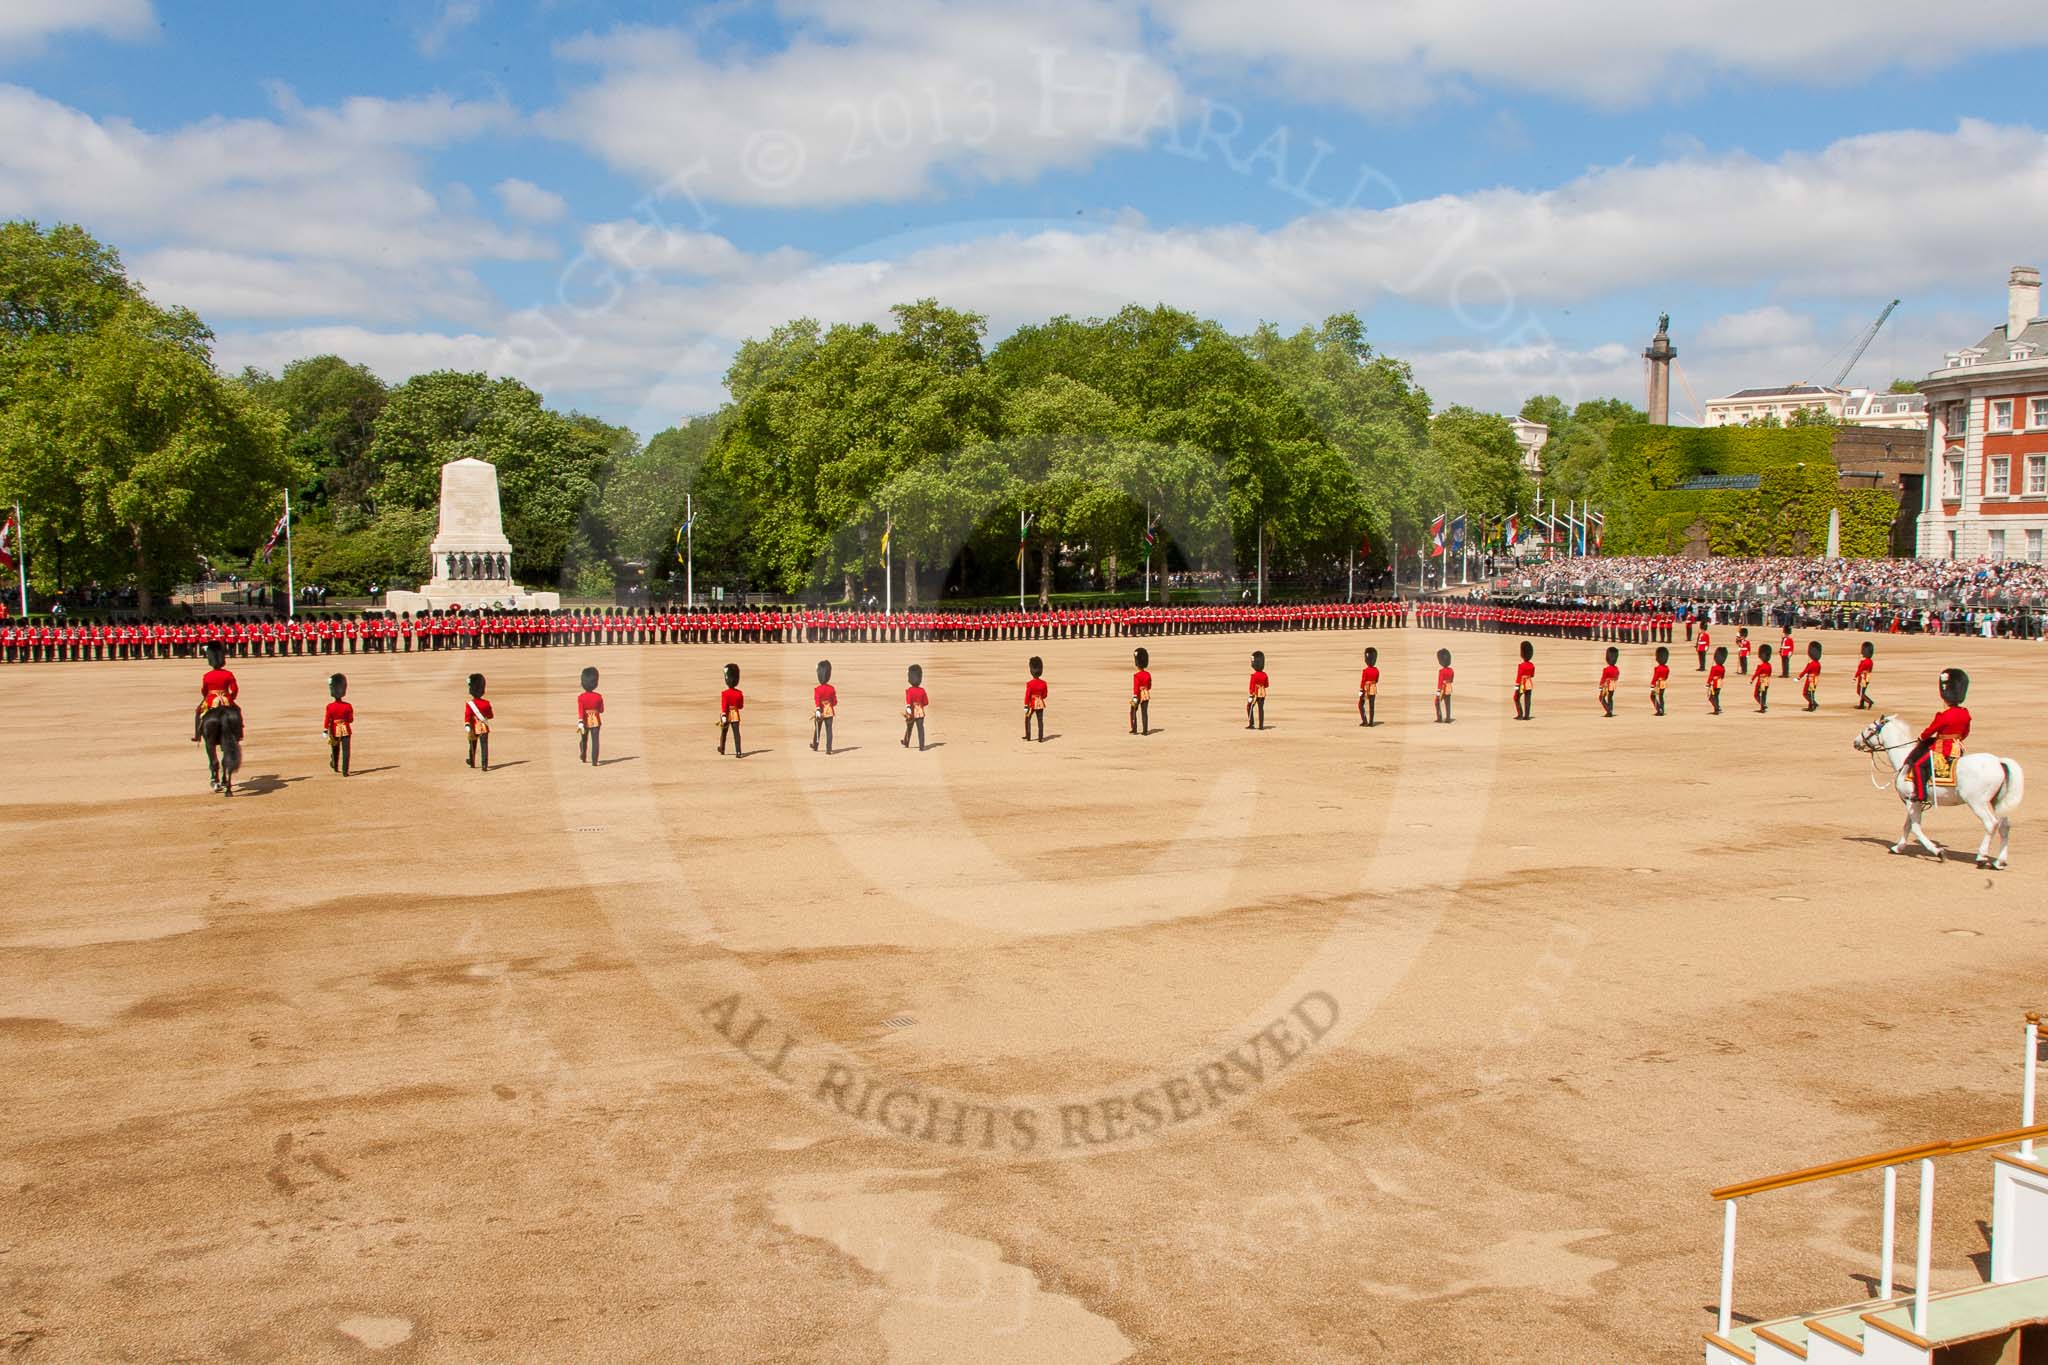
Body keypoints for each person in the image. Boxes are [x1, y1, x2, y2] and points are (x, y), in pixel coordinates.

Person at [1903, 668, 1972, 807]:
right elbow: (1965, 732)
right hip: (1957, 748)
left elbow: (1931, 730)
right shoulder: (1965, 713)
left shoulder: (1943, 715)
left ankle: (1920, 794)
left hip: (1942, 749)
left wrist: (1921, 737)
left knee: (1918, 765)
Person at [193, 641, 239, 742]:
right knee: (237, 711)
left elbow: (204, 690)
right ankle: (239, 733)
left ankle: (197, 735)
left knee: (198, 712)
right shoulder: (228, 674)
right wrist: (231, 698)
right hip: (226, 698)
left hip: (211, 699)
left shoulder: (207, 675)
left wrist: (206, 697)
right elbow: (234, 689)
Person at [323, 673, 353, 776]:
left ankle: (335, 765)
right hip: (345, 728)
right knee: (346, 751)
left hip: (334, 728)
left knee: (335, 748)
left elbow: (327, 719)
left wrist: (325, 730)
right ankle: (345, 771)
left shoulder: (330, 706)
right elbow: (350, 720)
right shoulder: (348, 706)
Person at [464, 673, 493, 770]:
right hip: (484, 726)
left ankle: (472, 762)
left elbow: (467, 716)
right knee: (484, 746)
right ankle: (484, 765)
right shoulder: (486, 703)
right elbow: (490, 715)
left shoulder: (469, 704)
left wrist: (467, 724)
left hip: (473, 726)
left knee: (473, 745)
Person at [577, 666, 604, 766]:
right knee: (595, 741)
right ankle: (594, 761)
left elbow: (580, 711)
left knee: (584, 739)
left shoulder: (581, 697)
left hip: (584, 720)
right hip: (596, 719)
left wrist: (580, 721)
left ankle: (583, 755)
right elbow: (601, 710)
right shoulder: (598, 696)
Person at [718, 663, 745, 758]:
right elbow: (741, 706)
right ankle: (738, 751)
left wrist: (724, 715)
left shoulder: (725, 693)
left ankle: (722, 748)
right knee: (736, 734)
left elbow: (724, 706)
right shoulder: (739, 693)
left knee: (724, 733)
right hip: (735, 714)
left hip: (727, 714)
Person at [811, 660, 837, 754]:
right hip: (829, 712)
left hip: (820, 712)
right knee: (829, 731)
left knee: (818, 729)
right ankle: (829, 749)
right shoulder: (831, 689)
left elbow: (817, 701)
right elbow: (835, 702)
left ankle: (815, 745)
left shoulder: (817, 689)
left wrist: (818, 709)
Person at [902, 664, 930, 750]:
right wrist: (920, 705)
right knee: (920, 730)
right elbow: (926, 702)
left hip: (911, 712)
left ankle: (906, 742)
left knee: (909, 728)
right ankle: (921, 746)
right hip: (920, 711)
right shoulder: (922, 690)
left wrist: (908, 710)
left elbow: (908, 702)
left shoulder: (909, 691)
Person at [1023, 656, 1048, 742]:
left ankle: (1028, 736)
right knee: (1040, 721)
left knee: (1027, 718)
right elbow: (1045, 695)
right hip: (1040, 702)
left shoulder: (1030, 684)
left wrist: (1026, 706)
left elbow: (1027, 696)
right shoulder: (1043, 683)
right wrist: (1039, 697)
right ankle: (1040, 738)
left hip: (1031, 703)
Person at [1130, 647, 1153, 736]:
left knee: (1133, 711)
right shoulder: (1148, 674)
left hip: (1137, 695)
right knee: (1144, 713)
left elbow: (1135, 688)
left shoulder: (1136, 675)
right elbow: (1150, 686)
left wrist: (1135, 696)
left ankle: (1134, 728)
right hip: (1146, 694)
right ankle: (1145, 731)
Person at [1513, 640, 1535, 721]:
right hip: (1529, 682)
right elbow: (1532, 675)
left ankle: (1520, 714)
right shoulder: (1532, 665)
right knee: (1527, 699)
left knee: (1516, 698)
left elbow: (1518, 678)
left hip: (1522, 683)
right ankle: (1527, 715)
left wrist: (1516, 688)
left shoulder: (1521, 666)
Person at [1246, 650, 1269, 730]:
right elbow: (1266, 685)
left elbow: (1252, 687)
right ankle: (1261, 726)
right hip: (1262, 693)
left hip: (1255, 693)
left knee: (1249, 707)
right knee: (1261, 709)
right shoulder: (1265, 675)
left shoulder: (1254, 676)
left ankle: (1251, 723)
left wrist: (1251, 694)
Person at [1360, 646, 1382, 727]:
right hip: (1373, 687)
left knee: (1361, 704)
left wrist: (1361, 690)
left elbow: (1363, 681)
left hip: (1366, 688)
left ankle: (1365, 721)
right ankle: (1371, 722)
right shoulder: (1376, 670)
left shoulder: (1365, 671)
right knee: (1372, 705)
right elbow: (1377, 680)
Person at [1799, 641, 1822, 712]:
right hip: (1816, 678)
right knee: (1811, 693)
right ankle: (1811, 706)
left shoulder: (1811, 664)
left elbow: (1805, 671)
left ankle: (1813, 703)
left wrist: (1800, 676)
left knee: (1805, 693)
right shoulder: (1818, 664)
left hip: (1811, 679)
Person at [1434, 648, 1454, 724]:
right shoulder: (1451, 670)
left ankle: (1439, 717)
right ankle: (1448, 718)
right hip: (1449, 687)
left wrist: (1438, 692)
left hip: (1442, 688)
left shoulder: (1441, 671)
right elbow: (1452, 680)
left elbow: (1440, 683)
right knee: (1447, 703)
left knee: (1437, 702)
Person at [1598, 646, 1619, 718]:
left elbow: (1603, 678)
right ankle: (1611, 710)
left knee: (1601, 698)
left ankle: (1608, 710)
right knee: (1610, 697)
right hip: (1613, 683)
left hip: (1607, 684)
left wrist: (1601, 686)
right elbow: (1617, 675)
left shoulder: (1606, 669)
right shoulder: (1616, 668)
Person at [1855, 640, 1876, 710]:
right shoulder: (1870, 661)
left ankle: (1869, 701)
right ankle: (1861, 704)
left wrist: (1855, 677)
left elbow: (1859, 670)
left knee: (1859, 691)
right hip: (1868, 677)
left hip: (1863, 677)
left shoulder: (1864, 661)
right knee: (1862, 691)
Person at [1650, 645, 1670, 716]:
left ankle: (1659, 709)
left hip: (1658, 682)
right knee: (1661, 696)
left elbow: (1655, 677)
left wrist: (1652, 684)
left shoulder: (1658, 668)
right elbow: (1667, 676)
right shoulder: (1667, 668)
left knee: (1652, 696)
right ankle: (1662, 709)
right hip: (1663, 682)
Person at [1707, 645, 1727, 714]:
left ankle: (1717, 707)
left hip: (1714, 683)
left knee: (1712, 697)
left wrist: (1708, 683)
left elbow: (1711, 676)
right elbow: (1723, 676)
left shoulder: (1714, 668)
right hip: (1720, 682)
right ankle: (1717, 707)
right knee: (1716, 695)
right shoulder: (1723, 668)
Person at [1753, 644, 1772, 713]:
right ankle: (1763, 707)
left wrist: (1752, 679)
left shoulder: (1761, 666)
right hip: (1766, 680)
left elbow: (1757, 673)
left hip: (1761, 680)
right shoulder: (1769, 665)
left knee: (1756, 694)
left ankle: (1763, 705)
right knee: (1764, 694)